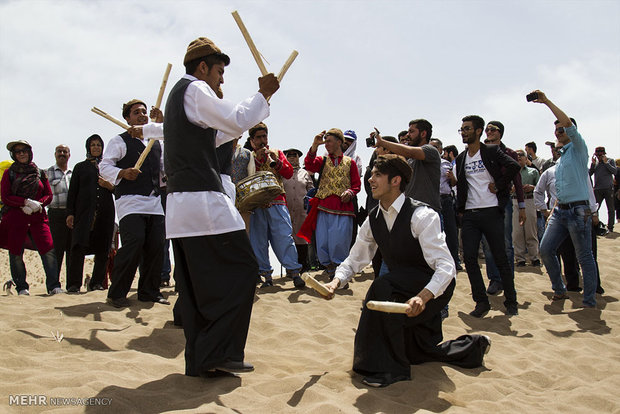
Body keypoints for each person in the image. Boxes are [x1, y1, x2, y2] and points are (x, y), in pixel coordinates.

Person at [163, 36, 279, 376]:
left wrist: (243, 117)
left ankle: (202, 359)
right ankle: (220, 353)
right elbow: (237, 118)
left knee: (198, 284)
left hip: (182, 206)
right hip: (202, 202)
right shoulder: (195, 89)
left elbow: (215, 135)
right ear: (202, 68)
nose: (221, 80)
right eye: (219, 72)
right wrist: (264, 95)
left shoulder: (179, 97)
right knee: (244, 270)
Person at [324, 154, 490, 388]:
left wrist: (423, 297)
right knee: (418, 352)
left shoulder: (422, 215)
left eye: (377, 175)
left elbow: (446, 267)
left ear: (395, 181)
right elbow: (356, 259)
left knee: (381, 286)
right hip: (401, 286)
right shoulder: (373, 220)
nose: (370, 179)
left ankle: (391, 371)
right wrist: (335, 282)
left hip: (433, 288)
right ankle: (475, 345)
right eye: (371, 174)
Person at [532, 90, 599, 308]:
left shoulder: (579, 148)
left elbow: (568, 123)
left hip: (579, 212)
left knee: (584, 257)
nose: (558, 132)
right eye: (556, 130)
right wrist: (553, 209)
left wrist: (546, 102)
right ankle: (559, 291)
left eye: (562, 129)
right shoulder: (560, 161)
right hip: (560, 212)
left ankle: (589, 301)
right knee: (545, 249)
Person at [100, 99, 168, 308]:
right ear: (128, 118)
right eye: (136, 112)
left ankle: (149, 291)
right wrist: (122, 172)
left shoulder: (155, 142)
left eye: (144, 112)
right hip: (130, 201)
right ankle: (117, 292)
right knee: (135, 242)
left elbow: (164, 168)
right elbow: (104, 166)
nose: (142, 115)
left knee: (157, 246)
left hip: (154, 201)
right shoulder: (119, 141)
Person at [455, 115, 520, 317]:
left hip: (491, 211)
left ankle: (511, 302)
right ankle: (481, 302)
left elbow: (513, 166)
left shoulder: (491, 151)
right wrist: (461, 211)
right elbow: (463, 186)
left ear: (478, 131)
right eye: (461, 129)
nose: (463, 132)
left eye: (467, 128)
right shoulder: (460, 158)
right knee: (470, 258)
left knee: (500, 257)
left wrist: (500, 185)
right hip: (471, 214)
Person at [0, 141, 64, 295]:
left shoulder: (39, 173)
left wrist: (38, 204)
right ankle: (21, 287)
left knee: (48, 250)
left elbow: (48, 194)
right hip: (16, 219)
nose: (21, 154)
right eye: (17, 152)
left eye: (24, 151)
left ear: (30, 152)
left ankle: (53, 286)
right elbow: (5, 196)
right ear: (14, 155)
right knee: (16, 253)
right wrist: (24, 202)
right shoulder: (9, 174)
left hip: (38, 218)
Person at [247, 122, 305, 289]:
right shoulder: (249, 157)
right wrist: (257, 160)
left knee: (284, 238)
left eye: (264, 136)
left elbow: (287, 173)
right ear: (252, 141)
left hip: (277, 202)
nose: (262, 140)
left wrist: (276, 160)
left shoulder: (277, 153)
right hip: (257, 205)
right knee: (259, 241)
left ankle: (294, 273)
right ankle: (266, 277)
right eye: (258, 137)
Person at [301, 128, 361, 279]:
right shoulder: (323, 160)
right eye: (325, 141)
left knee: (340, 242)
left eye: (329, 141)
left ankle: (340, 274)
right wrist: (314, 145)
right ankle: (330, 270)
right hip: (323, 208)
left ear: (339, 142)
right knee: (323, 242)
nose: (325, 144)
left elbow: (356, 185)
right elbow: (309, 166)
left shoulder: (351, 162)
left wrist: (350, 193)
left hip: (343, 209)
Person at [65, 134, 115, 293]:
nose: (96, 148)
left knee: (103, 248)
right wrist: (70, 213)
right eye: (93, 145)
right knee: (78, 246)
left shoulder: (109, 167)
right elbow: (72, 191)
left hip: (105, 212)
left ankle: (97, 283)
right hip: (84, 213)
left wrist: (109, 186)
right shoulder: (80, 167)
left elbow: (118, 187)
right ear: (88, 147)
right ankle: (73, 284)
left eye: (98, 145)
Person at [479, 121, 525, 295]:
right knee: (488, 243)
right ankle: (495, 279)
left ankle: (508, 280)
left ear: (501, 133)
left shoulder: (509, 153)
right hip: (483, 202)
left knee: (506, 243)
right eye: (487, 129)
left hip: (503, 202)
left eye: (493, 129)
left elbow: (517, 180)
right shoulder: (480, 152)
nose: (489, 132)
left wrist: (521, 205)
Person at [375, 119, 441, 212]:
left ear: (423, 134)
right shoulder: (410, 160)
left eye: (412, 131)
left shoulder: (430, 150)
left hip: (428, 210)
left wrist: (383, 142)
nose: (407, 135)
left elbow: (409, 152)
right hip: (411, 211)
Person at [430, 138, 461, 272]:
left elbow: (454, 183)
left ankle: (455, 260)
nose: (433, 150)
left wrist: (452, 178)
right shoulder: (425, 164)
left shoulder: (446, 164)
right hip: (431, 201)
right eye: (430, 147)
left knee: (451, 232)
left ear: (441, 150)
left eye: (436, 147)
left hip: (446, 200)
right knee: (434, 233)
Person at [282, 148, 314, 272]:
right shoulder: (282, 173)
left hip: (302, 211)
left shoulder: (304, 173)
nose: (292, 158)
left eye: (294, 156)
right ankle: (291, 269)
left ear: (298, 158)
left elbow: (311, 189)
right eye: (289, 156)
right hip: (286, 211)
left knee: (302, 238)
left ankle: (304, 266)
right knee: (288, 238)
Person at [46, 144, 72, 280]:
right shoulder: (47, 173)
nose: (62, 153)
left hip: (71, 215)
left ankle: (71, 284)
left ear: (69, 155)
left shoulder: (73, 174)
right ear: (55, 154)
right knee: (56, 251)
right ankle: (53, 284)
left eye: (65, 152)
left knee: (72, 251)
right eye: (59, 151)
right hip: (55, 214)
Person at [513, 149, 540, 267]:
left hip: (529, 200)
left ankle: (534, 257)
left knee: (531, 230)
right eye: (516, 156)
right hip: (514, 201)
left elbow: (540, 187)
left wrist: (532, 187)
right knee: (517, 232)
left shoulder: (533, 172)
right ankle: (520, 258)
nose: (519, 157)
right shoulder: (510, 172)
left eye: (521, 155)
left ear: (526, 158)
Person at [589, 146, 617, 232]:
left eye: (600, 155)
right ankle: (596, 226)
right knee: (595, 209)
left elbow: (615, 171)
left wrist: (606, 163)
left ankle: (610, 227)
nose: (599, 157)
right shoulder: (596, 163)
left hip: (608, 188)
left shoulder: (610, 160)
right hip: (597, 189)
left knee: (611, 208)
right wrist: (593, 164)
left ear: (604, 154)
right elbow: (589, 173)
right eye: (597, 155)